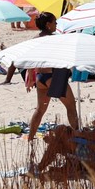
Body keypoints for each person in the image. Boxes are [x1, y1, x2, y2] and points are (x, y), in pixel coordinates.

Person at [24, 13, 78, 141]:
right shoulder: (54, 39)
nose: (56, 25)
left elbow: (29, 60)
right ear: (48, 25)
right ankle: (77, 134)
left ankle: (30, 137)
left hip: (40, 77)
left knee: (40, 110)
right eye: (54, 22)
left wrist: (30, 78)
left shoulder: (35, 39)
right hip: (53, 76)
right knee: (71, 106)